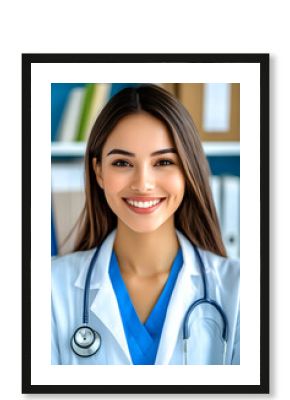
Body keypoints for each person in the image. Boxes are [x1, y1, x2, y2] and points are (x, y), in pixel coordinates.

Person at [51, 84, 240, 365]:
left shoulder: (241, 288)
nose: (142, 184)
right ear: (99, 172)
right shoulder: (49, 287)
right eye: (122, 163)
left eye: (163, 161)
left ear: (188, 171)